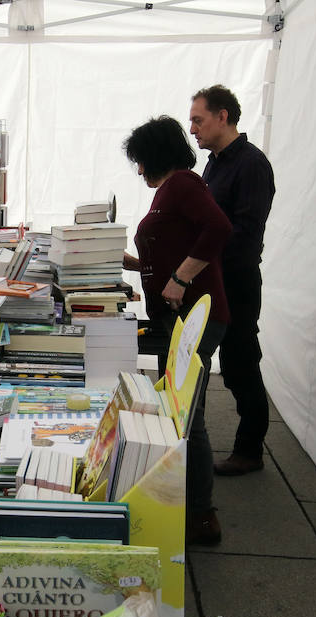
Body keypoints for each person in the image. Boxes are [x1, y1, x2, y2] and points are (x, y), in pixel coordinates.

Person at [123, 115, 232, 546]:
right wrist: (135, 264)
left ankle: (202, 515)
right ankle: (186, 500)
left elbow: (219, 229)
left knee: (191, 414)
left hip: (198, 317)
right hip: (181, 317)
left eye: (139, 161)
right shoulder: (172, 189)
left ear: (153, 156)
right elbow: (176, 242)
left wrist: (182, 279)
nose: (138, 170)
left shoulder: (184, 183)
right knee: (180, 406)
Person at [189, 85, 275, 476]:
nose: (193, 128)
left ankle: (250, 450)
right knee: (213, 359)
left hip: (236, 280)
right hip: (213, 277)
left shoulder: (252, 164)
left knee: (240, 362)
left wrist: (202, 261)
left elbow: (244, 234)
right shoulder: (216, 162)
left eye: (198, 119)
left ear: (223, 116)